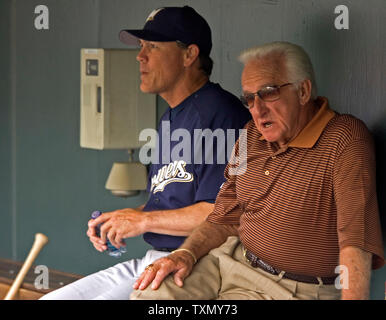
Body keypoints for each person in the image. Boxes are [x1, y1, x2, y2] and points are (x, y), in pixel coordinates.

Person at [130, 41, 384, 300]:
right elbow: (224, 215)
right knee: (152, 294)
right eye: (249, 99)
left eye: (269, 93)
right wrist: (186, 253)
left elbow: (356, 240)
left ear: (303, 91)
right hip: (229, 260)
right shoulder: (250, 136)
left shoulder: (345, 139)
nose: (258, 110)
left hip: (290, 288)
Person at [40, 6, 250, 300]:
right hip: (154, 259)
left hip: (195, 266)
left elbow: (222, 213)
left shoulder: (220, 114)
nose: (140, 56)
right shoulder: (171, 117)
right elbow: (168, 201)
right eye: (141, 46)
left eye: (152, 46)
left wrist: (142, 221)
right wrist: (119, 220)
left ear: (189, 55)